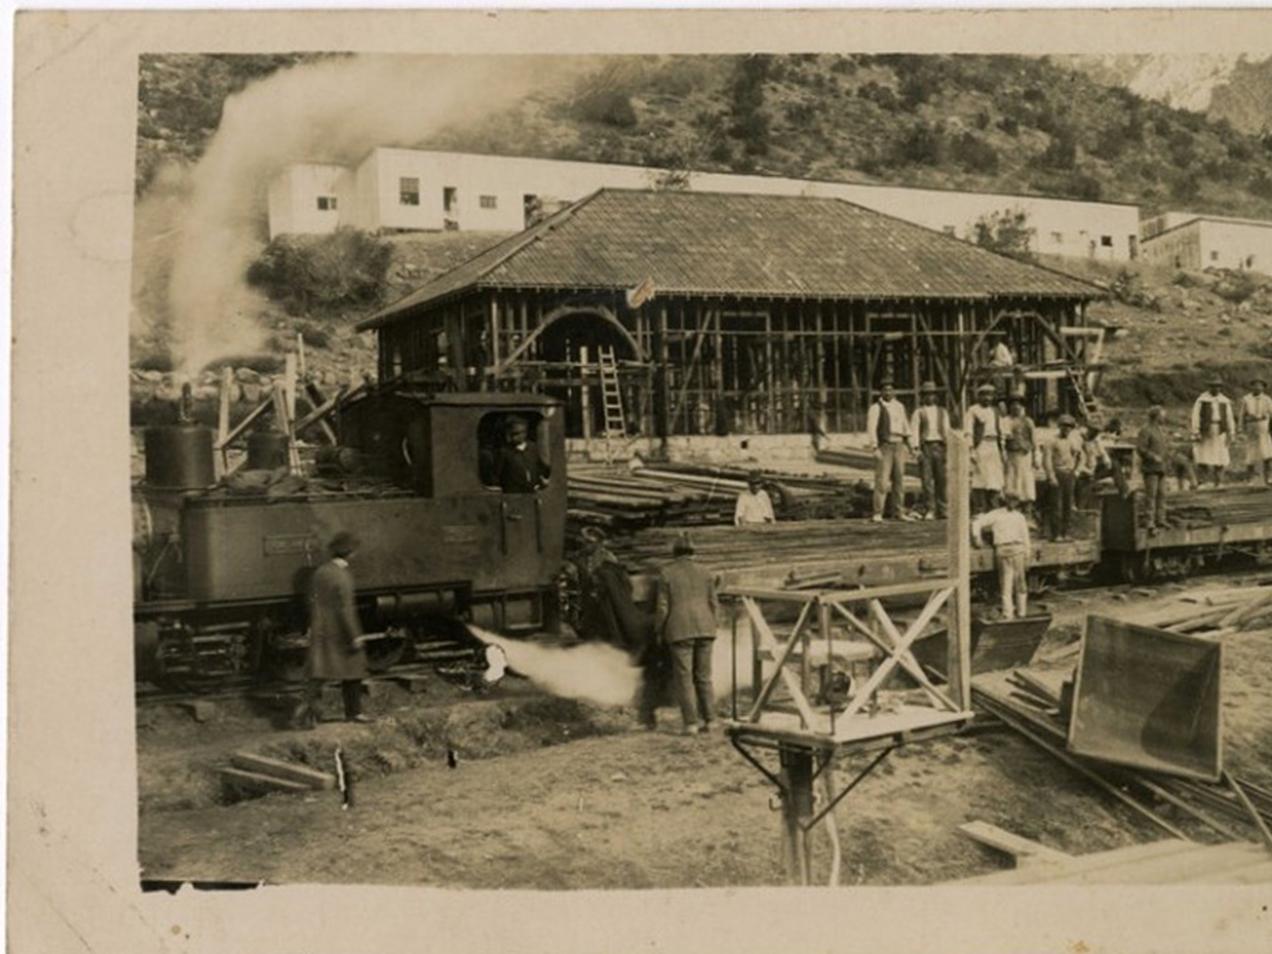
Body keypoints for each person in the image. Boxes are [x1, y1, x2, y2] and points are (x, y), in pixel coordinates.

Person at [295, 531, 371, 728]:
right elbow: (346, 609)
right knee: (354, 667)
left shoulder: (320, 572)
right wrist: (355, 635)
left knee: (319, 672)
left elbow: (309, 600)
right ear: (351, 553)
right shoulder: (343, 576)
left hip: (321, 628)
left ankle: (306, 714)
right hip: (340, 632)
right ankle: (354, 712)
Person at [653, 533, 720, 736]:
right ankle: (711, 720)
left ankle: (691, 724)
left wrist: (658, 629)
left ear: (675, 553)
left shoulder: (667, 573)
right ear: (693, 552)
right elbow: (714, 603)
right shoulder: (707, 572)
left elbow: (663, 607)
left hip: (679, 630)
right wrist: (714, 624)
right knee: (704, 677)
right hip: (706, 628)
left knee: (684, 678)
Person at [971, 492, 1032, 621]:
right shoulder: (996, 514)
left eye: (1015, 501)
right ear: (1005, 500)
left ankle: (1022, 613)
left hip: (1018, 550)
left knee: (1020, 583)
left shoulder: (1020, 517)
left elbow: (1025, 536)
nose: (1012, 503)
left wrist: (1027, 553)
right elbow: (977, 523)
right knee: (1006, 583)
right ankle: (1008, 614)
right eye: (1010, 500)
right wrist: (977, 539)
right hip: (1002, 550)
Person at [865, 378, 913, 523]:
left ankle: (898, 511)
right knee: (882, 481)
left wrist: (910, 446)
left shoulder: (899, 406)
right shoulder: (876, 408)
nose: (888, 392)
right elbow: (871, 428)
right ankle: (878, 513)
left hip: (899, 445)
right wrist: (874, 447)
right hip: (885, 445)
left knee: (899, 480)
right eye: (885, 389)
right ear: (881, 391)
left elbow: (906, 427)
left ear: (894, 391)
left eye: (891, 389)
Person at [910, 380, 950, 519]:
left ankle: (943, 508)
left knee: (942, 479)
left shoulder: (942, 411)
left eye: (932, 394)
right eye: (927, 394)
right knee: (927, 481)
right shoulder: (919, 412)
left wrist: (948, 447)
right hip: (926, 446)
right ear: (923, 396)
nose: (930, 397)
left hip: (940, 446)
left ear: (936, 396)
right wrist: (916, 449)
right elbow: (914, 431)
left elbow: (946, 429)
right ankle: (930, 509)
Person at [966, 383, 1005, 514]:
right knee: (980, 478)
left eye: (990, 395)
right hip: (981, 445)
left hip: (993, 445)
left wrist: (1002, 449)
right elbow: (968, 431)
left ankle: (993, 508)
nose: (987, 398)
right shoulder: (973, 410)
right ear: (979, 396)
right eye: (985, 395)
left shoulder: (995, 411)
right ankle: (979, 509)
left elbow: (1001, 430)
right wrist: (971, 449)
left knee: (994, 478)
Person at [1041, 414, 1079, 541]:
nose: (1067, 429)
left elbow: (1079, 455)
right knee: (1056, 505)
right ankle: (1056, 534)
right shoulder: (1051, 441)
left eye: (1069, 426)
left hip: (1069, 474)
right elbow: (1046, 460)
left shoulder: (1072, 441)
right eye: (1064, 426)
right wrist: (1051, 476)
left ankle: (1066, 533)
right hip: (1057, 473)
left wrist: (1076, 470)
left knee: (1068, 504)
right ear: (1059, 426)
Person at [1191, 377, 1235, 488]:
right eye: (1213, 386)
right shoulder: (1202, 400)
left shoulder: (1224, 401)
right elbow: (1195, 416)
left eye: (1218, 386)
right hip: (1206, 430)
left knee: (1220, 456)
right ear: (1209, 387)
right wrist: (1196, 431)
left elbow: (1229, 418)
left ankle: (1218, 482)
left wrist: (1231, 432)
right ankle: (1202, 481)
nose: (1216, 388)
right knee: (1204, 455)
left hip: (1220, 431)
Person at [492, 416, 551, 493]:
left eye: (516, 434)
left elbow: (540, 467)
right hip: (512, 494)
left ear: (524, 433)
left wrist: (543, 480)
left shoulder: (533, 448)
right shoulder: (504, 452)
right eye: (511, 434)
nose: (513, 437)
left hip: (532, 492)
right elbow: (496, 475)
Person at [1136, 405, 1170, 534]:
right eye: (1162, 415)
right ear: (1156, 416)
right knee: (1151, 495)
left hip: (1161, 468)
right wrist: (1152, 456)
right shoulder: (1145, 430)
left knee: (1162, 495)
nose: (1164, 418)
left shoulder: (1159, 430)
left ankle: (1160, 519)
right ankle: (1149, 521)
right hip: (1150, 468)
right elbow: (1140, 448)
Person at [1002, 396, 1037, 516]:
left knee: (1026, 480)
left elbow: (1034, 441)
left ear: (1022, 407)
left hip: (1025, 455)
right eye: (1013, 404)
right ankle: (1012, 508)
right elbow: (1003, 438)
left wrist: (1035, 458)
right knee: (1011, 479)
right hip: (1011, 454)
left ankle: (1027, 509)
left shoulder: (1028, 421)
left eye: (1019, 405)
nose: (1016, 407)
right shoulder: (1005, 420)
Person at [1239, 377, 1272, 485]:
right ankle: (1251, 479)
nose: (1257, 387)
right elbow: (1241, 415)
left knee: (1267, 453)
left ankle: (1269, 477)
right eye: (1255, 385)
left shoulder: (1267, 400)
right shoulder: (1246, 399)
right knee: (1251, 454)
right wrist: (1240, 429)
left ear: (1263, 387)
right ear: (1251, 386)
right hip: (1251, 428)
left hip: (1263, 428)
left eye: (1260, 385)